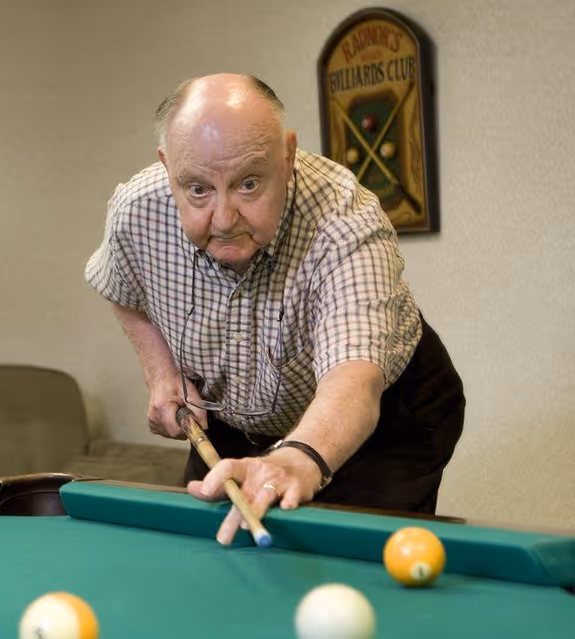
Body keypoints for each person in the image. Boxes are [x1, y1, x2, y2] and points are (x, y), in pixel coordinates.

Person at [84, 73, 464, 545]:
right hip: (235, 419)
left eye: (247, 184)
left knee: (346, 558)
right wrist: (160, 372)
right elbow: (121, 288)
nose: (223, 220)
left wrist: (296, 457)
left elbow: (355, 378)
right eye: (198, 189)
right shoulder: (137, 212)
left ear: (286, 157)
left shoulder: (346, 222)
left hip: (383, 418)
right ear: (168, 167)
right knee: (219, 551)